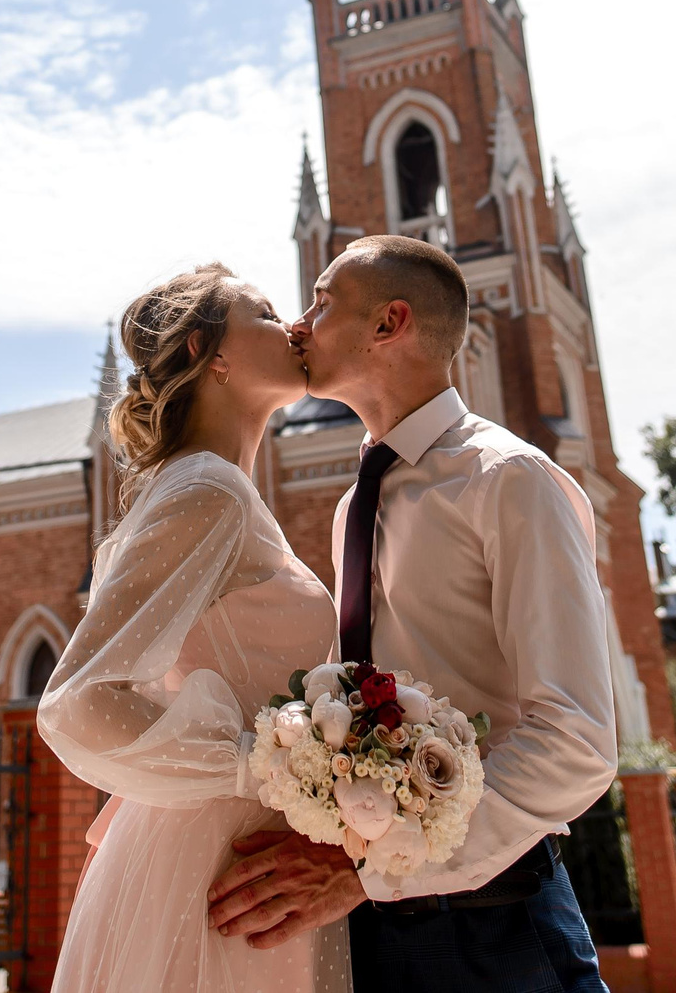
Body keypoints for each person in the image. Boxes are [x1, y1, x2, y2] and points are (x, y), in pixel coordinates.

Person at [204, 236, 621, 993]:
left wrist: (374, 870)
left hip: (499, 924)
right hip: (373, 930)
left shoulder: (510, 481)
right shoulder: (352, 506)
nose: (299, 325)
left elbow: (579, 741)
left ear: (389, 323)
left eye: (323, 302)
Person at [37, 265, 349, 992]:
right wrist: (266, 764)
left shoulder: (215, 487)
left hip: (244, 856)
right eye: (267, 313)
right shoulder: (208, 490)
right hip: (220, 862)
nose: (296, 324)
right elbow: (78, 698)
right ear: (213, 351)